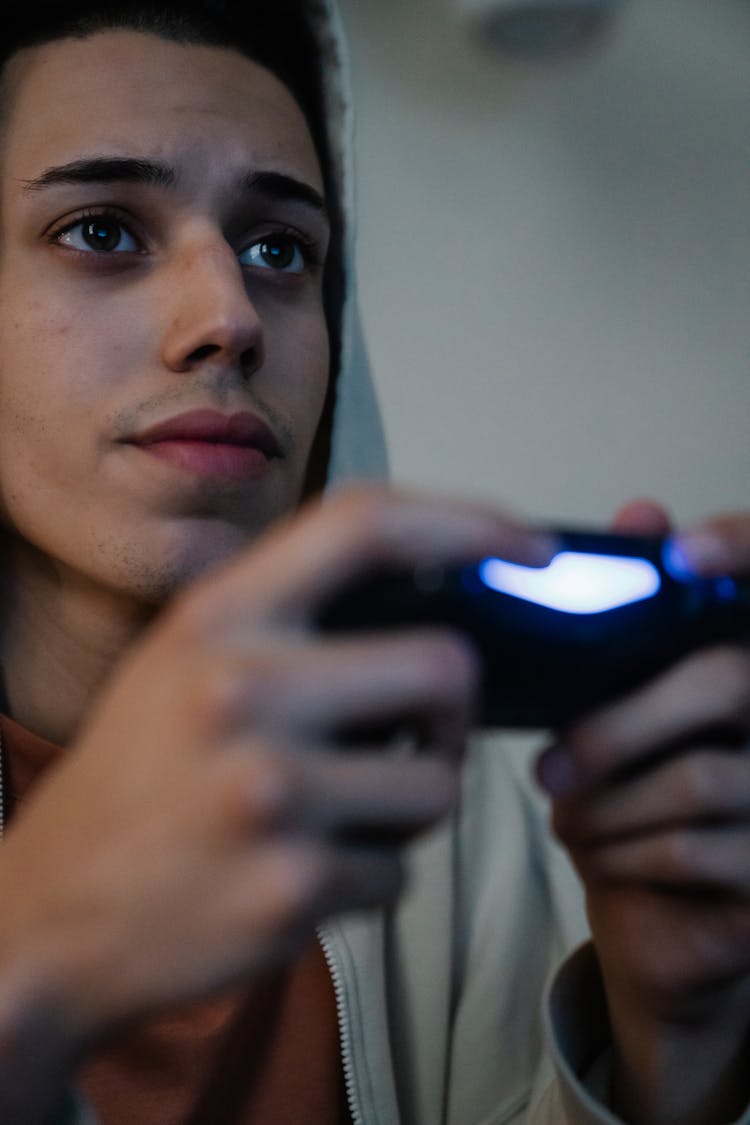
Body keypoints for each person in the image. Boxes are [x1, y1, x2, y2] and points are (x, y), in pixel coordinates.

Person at [0, 2, 748, 1123]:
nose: (229, 315)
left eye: (280, 250)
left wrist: (670, 1054)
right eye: (103, 229)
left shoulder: (468, 825)